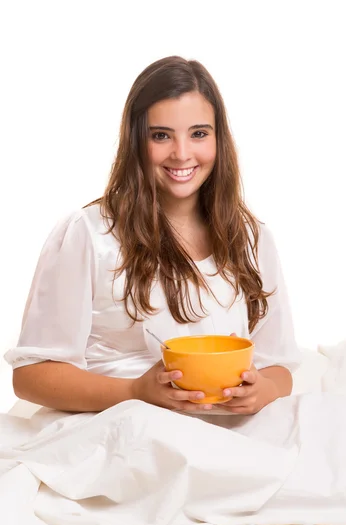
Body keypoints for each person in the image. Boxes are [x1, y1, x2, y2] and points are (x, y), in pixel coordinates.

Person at [5, 56, 301, 416]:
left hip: (229, 427)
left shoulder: (252, 238)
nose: (181, 154)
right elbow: (31, 377)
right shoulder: (90, 234)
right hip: (125, 426)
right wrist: (134, 391)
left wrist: (263, 391)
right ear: (135, 142)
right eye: (161, 135)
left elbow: (279, 366)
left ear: (219, 139)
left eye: (198, 133)